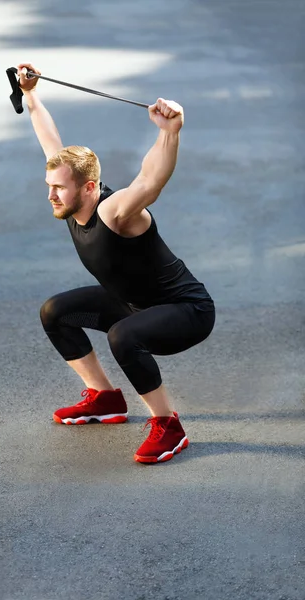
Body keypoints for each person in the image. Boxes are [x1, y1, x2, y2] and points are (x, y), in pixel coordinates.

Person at [17, 62, 215, 464]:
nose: (51, 196)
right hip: (133, 304)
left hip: (186, 312)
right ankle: (105, 398)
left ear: (89, 187)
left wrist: (169, 133)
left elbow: (150, 181)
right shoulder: (73, 198)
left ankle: (168, 425)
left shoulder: (117, 212)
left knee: (122, 336)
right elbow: (49, 140)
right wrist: (31, 95)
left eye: (58, 188)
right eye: (49, 187)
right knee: (55, 312)